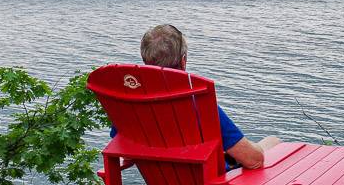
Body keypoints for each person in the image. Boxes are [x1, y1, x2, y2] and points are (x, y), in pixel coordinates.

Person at [114, 24, 281, 170]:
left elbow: (125, 152)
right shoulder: (199, 103)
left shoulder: (131, 108)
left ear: (145, 62)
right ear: (183, 60)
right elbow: (253, 161)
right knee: (273, 142)